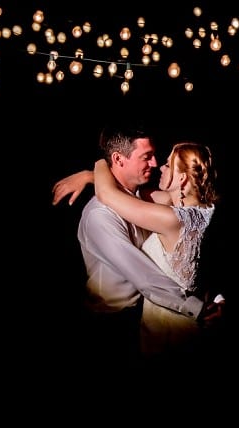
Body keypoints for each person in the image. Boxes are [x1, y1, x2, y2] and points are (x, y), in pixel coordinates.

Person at [51, 124, 220, 365]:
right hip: (114, 322)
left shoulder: (147, 201)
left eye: (156, 157)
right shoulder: (100, 215)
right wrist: (196, 307)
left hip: (153, 315)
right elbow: (143, 275)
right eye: (146, 157)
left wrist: (92, 173)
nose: (155, 164)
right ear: (118, 159)